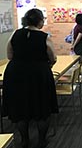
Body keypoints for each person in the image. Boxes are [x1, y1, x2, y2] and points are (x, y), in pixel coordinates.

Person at [2, 8, 58, 148]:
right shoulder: (44, 37)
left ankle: (24, 140)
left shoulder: (15, 34)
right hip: (38, 73)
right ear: (40, 21)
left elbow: (9, 55)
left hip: (16, 73)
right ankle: (41, 140)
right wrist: (46, 65)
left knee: (20, 108)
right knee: (42, 107)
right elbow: (53, 57)